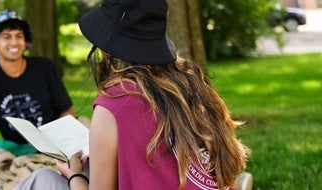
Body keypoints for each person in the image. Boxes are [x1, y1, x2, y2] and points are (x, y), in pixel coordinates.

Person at [14, 0, 251, 189]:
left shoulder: (114, 104)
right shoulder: (190, 81)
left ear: (107, 45)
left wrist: (73, 173)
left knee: (42, 179)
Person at [0, 10, 75, 148]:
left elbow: (67, 111)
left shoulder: (45, 68)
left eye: (19, 36)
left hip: (54, 143)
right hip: (17, 150)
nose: (14, 42)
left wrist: (58, 146)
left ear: (25, 42)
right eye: (6, 37)